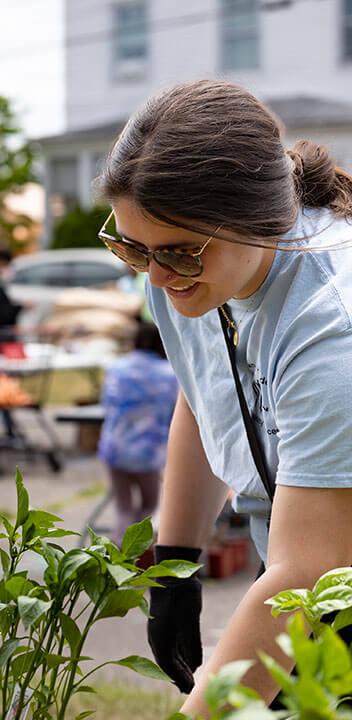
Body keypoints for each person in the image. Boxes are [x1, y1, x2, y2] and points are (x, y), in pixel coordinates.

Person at [96, 79, 352, 716]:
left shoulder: (332, 331)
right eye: (131, 247)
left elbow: (307, 573)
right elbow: (206, 391)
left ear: (258, 220)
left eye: (176, 253)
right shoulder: (189, 272)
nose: (154, 277)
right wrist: (175, 562)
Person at [97, 322, 179, 545]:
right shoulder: (168, 374)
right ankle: (134, 554)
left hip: (115, 447)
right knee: (148, 506)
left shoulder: (117, 368)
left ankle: (117, 561)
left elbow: (106, 402)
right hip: (148, 452)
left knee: (122, 508)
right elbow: (176, 413)